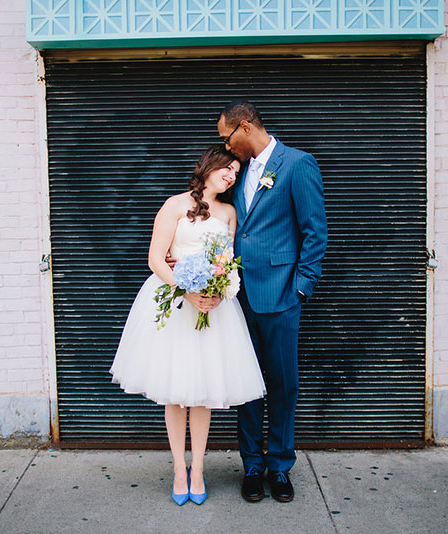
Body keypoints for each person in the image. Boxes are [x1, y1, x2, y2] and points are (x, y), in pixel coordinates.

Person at [109, 145, 266, 506]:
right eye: (227, 168)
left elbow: (228, 262)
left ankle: (199, 470)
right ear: (209, 166)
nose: (231, 176)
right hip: (176, 303)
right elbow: (155, 259)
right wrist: (186, 290)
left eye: (236, 172)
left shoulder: (229, 212)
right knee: (175, 393)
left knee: (202, 394)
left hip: (212, 309)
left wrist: (219, 291)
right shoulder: (175, 205)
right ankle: (180, 469)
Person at [216, 100, 327, 503]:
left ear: (245, 127)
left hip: (281, 296)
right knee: (246, 384)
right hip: (238, 296)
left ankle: (279, 466)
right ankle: (251, 465)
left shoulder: (297, 164)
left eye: (227, 137)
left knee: (282, 384)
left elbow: (315, 230)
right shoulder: (237, 171)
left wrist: (301, 288)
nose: (226, 147)